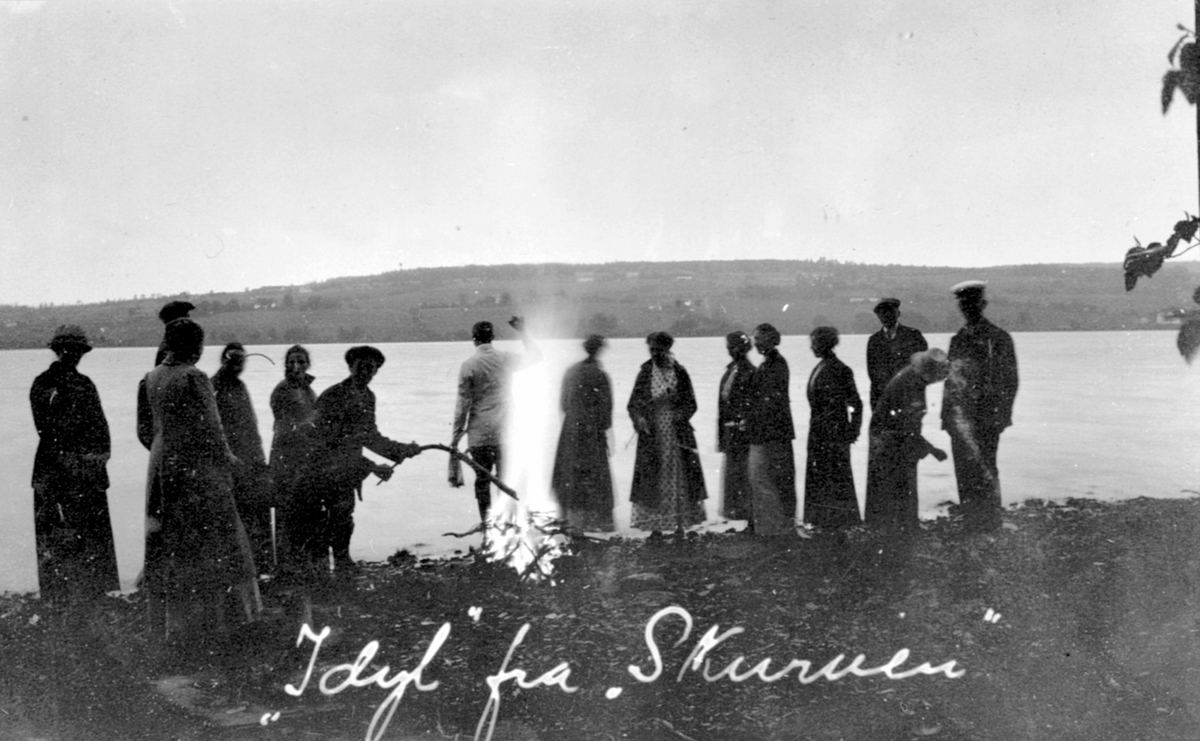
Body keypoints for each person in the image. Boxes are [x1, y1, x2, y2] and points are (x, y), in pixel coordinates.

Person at [142, 318, 260, 647]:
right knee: (219, 540)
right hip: (197, 466)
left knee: (174, 541)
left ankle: (178, 625)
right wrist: (231, 461)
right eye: (200, 343)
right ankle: (224, 622)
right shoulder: (195, 377)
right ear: (195, 345)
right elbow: (212, 428)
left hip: (163, 464)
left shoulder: (152, 376)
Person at [300, 346, 421, 576]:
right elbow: (331, 442)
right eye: (361, 367)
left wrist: (402, 450)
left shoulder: (368, 397)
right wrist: (373, 466)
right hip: (321, 468)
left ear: (376, 371)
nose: (366, 372)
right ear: (350, 367)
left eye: (371, 368)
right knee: (324, 521)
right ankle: (323, 573)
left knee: (344, 517)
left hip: (347, 470)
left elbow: (370, 436)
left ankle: (343, 562)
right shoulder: (333, 396)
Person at [28, 325, 120, 602]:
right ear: (59, 351)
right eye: (70, 350)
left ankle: (80, 592)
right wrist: (90, 455)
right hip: (64, 471)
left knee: (79, 532)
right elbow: (50, 428)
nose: (74, 355)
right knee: (65, 531)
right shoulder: (48, 384)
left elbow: (101, 430)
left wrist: (99, 455)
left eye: (77, 350)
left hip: (73, 469)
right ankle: (69, 593)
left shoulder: (76, 383)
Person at [941, 281, 1019, 533]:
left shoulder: (998, 338)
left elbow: (1010, 381)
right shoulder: (957, 340)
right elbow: (951, 382)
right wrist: (947, 417)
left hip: (986, 418)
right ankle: (972, 522)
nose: (967, 309)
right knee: (964, 470)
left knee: (986, 469)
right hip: (960, 419)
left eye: (971, 304)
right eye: (963, 305)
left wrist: (1001, 416)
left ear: (982, 305)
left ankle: (990, 522)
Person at [450, 316, 541, 522]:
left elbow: (462, 406)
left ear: (474, 340)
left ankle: (487, 526)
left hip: (479, 433)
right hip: (505, 431)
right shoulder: (505, 359)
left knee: (482, 480)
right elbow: (536, 356)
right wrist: (523, 332)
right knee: (505, 480)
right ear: (493, 338)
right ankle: (506, 525)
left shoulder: (469, 365)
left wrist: (455, 438)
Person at [135, 299, 196, 601]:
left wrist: (159, 445)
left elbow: (146, 428)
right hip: (174, 450)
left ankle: (158, 576)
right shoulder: (171, 354)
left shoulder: (162, 354)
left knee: (161, 515)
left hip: (162, 450)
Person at [627, 331, 707, 536]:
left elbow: (692, 404)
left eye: (658, 349)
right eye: (651, 349)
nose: (654, 353)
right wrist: (640, 419)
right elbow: (633, 404)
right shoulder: (645, 373)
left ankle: (680, 525)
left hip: (676, 434)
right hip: (652, 435)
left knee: (678, 477)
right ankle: (656, 527)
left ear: (667, 349)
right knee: (654, 478)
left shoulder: (680, 372)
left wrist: (679, 415)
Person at [865, 348, 950, 530]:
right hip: (889, 437)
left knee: (899, 480)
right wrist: (932, 449)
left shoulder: (910, 375)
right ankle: (902, 525)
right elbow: (907, 427)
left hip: (891, 434)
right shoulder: (911, 384)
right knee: (900, 480)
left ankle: (899, 523)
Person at [210, 342, 272, 572]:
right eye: (233, 359)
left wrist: (260, 460)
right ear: (223, 359)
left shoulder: (240, 386)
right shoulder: (212, 387)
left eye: (241, 360)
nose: (237, 365)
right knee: (236, 521)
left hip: (251, 461)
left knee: (256, 517)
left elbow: (252, 426)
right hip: (229, 464)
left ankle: (260, 569)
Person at [551, 334, 615, 532]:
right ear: (599, 350)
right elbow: (606, 408)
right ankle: (596, 520)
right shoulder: (600, 374)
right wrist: (601, 428)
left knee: (570, 473)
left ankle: (570, 517)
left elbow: (562, 404)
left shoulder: (571, 371)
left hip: (571, 430)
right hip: (592, 431)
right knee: (595, 474)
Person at [802, 327, 864, 530]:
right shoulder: (821, 366)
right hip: (819, 432)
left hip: (834, 434)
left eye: (814, 342)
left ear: (824, 344)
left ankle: (838, 523)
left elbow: (856, 403)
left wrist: (852, 431)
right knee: (821, 477)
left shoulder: (840, 369)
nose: (811, 347)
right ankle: (823, 521)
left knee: (835, 478)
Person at [744, 323, 796, 537]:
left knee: (766, 479)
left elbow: (770, 402)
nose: (757, 345)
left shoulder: (774, 365)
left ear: (772, 340)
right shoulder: (772, 364)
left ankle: (774, 527)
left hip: (770, 434)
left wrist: (751, 420)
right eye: (755, 340)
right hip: (772, 432)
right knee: (768, 480)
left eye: (760, 340)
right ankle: (773, 526)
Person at [269, 345, 317, 571]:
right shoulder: (282, 391)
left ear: (307, 364)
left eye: (300, 361)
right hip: (286, 459)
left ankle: (304, 564)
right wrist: (305, 428)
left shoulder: (308, 390)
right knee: (287, 512)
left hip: (305, 458)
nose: (295, 366)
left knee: (305, 512)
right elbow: (282, 428)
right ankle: (287, 568)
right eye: (290, 362)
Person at [716, 331, 756, 524]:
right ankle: (741, 513)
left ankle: (748, 515)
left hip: (742, 433)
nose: (730, 350)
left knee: (745, 474)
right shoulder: (732, 370)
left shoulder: (749, 372)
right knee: (736, 474)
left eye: (732, 346)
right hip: (732, 432)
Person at [866, 298, 927, 411]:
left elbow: (923, 369)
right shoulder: (874, 341)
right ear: (878, 317)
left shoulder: (914, 336)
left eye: (891, 312)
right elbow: (873, 374)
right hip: (883, 401)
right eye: (883, 313)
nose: (887, 316)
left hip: (910, 401)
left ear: (898, 313)